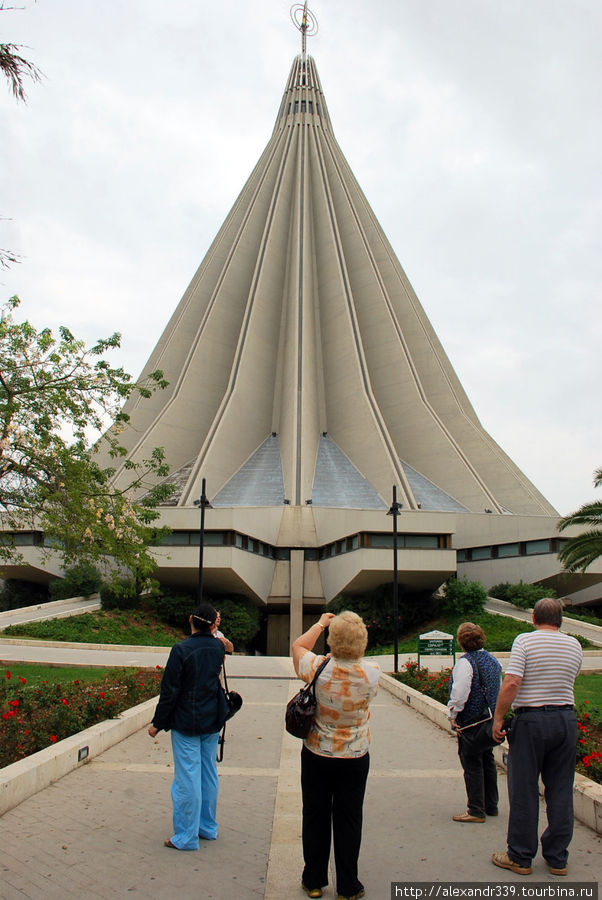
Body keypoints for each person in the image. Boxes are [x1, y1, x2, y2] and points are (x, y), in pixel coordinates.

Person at [491, 597, 583, 877]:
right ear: (561, 621)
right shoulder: (575, 645)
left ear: (533, 618)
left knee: (524, 789)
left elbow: (513, 681)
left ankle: (520, 855)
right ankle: (557, 858)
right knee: (560, 788)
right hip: (565, 719)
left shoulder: (525, 641)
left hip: (531, 721)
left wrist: (498, 717)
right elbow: (570, 679)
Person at [292, 611, 380, 900]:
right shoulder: (372, 673)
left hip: (317, 753)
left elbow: (297, 646)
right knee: (349, 818)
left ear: (332, 639)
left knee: (315, 814)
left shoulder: (318, 667)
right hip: (355, 755)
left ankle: (314, 880)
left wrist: (319, 624)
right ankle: (348, 885)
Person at [148, 602, 227, 850]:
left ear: (191, 618)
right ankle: (207, 827)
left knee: (187, 777)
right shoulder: (217, 647)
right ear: (213, 622)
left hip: (186, 721)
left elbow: (170, 691)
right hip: (211, 719)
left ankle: (186, 835)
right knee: (208, 773)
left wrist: (157, 724)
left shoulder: (181, 649)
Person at [448, 622, 502, 823]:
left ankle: (475, 810)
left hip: (471, 721)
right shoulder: (493, 661)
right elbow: (499, 688)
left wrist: (453, 715)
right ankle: (491, 805)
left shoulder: (465, 663)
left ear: (461, 642)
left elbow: (460, 693)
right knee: (487, 759)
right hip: (490, 719)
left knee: (471, 763)